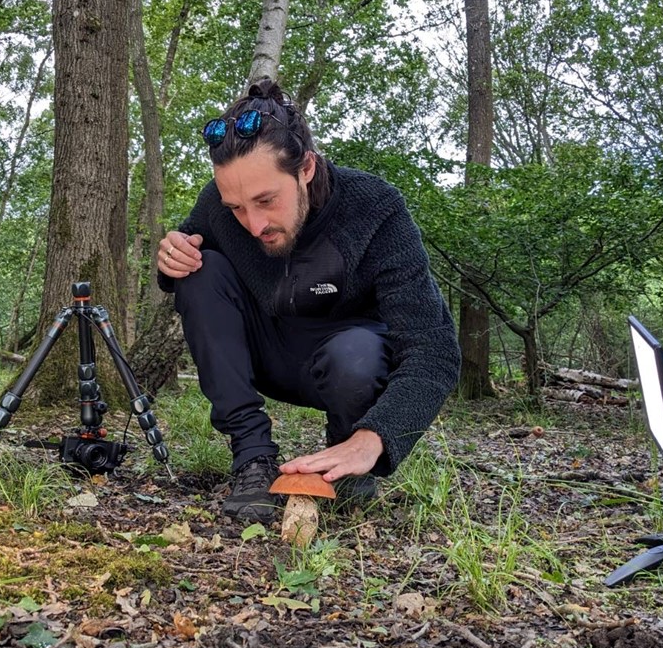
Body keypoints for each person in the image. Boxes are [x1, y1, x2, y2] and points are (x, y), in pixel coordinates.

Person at [157, 78, 461, 525]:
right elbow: (184, 262)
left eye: (266, 200)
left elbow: (434, 350)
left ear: (306, 169)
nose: (254, 224)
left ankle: (346, 464)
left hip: (347, 363)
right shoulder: (216, 205)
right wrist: (171, 260)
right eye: (237, 207)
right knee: (200, 268)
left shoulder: (375, 208)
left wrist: (374, 437)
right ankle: (252, 458)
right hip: (266, 354)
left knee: (355, 353)